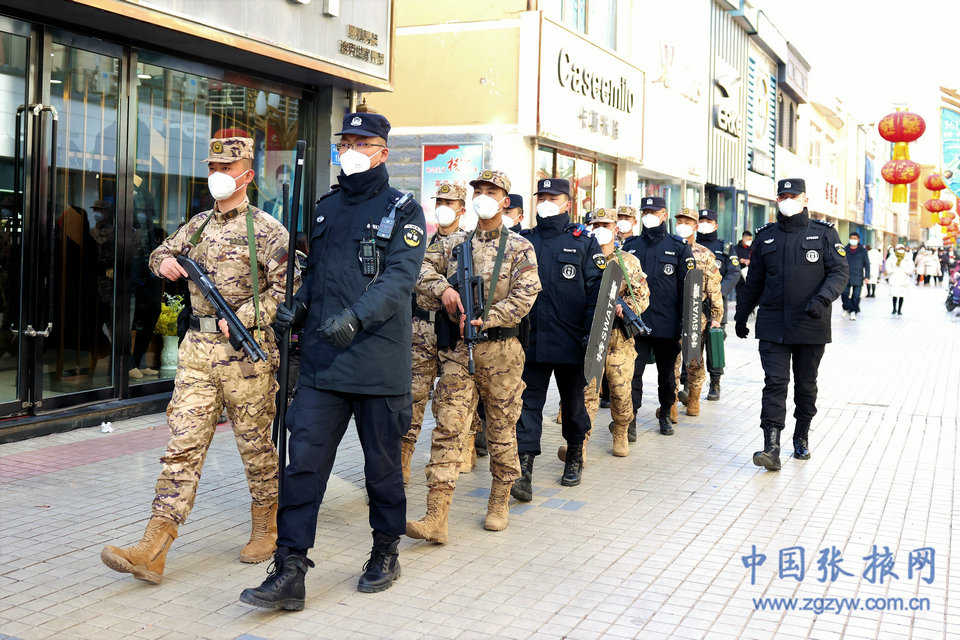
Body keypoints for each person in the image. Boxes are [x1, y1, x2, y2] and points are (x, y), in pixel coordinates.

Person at [241, 112, 426, 609]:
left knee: (381, 469)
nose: (351, 150)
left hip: (376, 363)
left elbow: (399, 279)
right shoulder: (326, 208)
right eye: (346, 142)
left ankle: (385, 551)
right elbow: (318, 275)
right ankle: (290, 568)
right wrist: (299, 306)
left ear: (382, 152)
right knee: (302, 467)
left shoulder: (405, 210)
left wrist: (356, 317)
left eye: (362, 143)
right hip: (323, 364)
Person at [101, 136, 295, 583]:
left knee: (255, 446)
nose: (218, 175)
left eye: (228, 168)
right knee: (182, 446)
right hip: (196, 353)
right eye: (213, 167)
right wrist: (164, 264)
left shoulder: (269, 230)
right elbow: (158, 252)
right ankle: (153, 548)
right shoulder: (198, 225)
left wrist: (245, 316)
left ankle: (266, 527)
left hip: (245, 356)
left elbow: (288, 290)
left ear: (248, 175)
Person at [407, 169, 541, 541]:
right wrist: (444, 290)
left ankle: (499, 501)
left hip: (501, 353)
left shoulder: (519, 247)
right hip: (457, 350)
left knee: (501, 429)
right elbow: (420, 269)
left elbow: (526, 295)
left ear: (505, 201)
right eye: (478, 190)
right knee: (448, 427)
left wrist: (489, 317)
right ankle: (436, 515)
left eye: (491, 192)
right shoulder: (455, 244)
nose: (483, 196)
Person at [733, 178, 848, 471]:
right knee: (775, 383)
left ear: (805, 199)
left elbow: (839, 272)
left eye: (793, 195)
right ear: (776, 200)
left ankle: (801, 435)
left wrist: (822, 299)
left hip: (811, 323)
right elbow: (755, 280)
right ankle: (771, 447)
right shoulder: (766, 236)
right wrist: (741, 314)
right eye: (782, 195)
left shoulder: (824, 233)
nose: (787, 200)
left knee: (806, 385)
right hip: (773, 324)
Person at [512, 178, 603, 501]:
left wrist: (590, 337)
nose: (546, 202)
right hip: (531, 341)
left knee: (574, 406)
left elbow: (597, 293)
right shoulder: (524, 240)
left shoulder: (584, 242)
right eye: (542, 197)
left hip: (571, 342)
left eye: (554, 197)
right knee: (527, 407)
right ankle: (524, 471)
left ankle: (575, 453)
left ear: (568, 204)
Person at [401, 182, 468, 484]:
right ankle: (402, 458)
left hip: (452, 331)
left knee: (453, 398)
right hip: (421, 329)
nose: (443, 207)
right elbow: (415, 272)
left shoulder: (467, 244)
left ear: (461, 209)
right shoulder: (422, 241)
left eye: (449, 202)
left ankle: (463, 449)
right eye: (439, 201)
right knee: (412, 396)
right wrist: (443, 287)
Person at [621, 196, 695, 436]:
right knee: (633, 374)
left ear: (664, 215)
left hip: (667, 323)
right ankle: (630, 419)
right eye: (645, 211)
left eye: (654, 212)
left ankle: (665, 414)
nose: (649, 216)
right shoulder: (631, 245)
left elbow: (687, 289)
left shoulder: (678, 247)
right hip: (635, 323)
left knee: (667, 376)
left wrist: (685, 326)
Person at [580, 208, 649, 457]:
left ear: (615, 229)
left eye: (605, 225)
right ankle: (580, 445)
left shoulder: (628, 261)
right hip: (589, 338)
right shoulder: (583, 256)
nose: (600, 229)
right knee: (587, 395)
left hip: (618, 340)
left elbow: (642, 296)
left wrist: (626, 307)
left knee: (620, 393)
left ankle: (621, 430)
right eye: (595, 225)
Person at [674, 208, 723, 416]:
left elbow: (714, 287)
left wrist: (716, 317)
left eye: (687, 222)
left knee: (695, 359)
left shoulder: (705, 254)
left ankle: (694, 399)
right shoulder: (670, 248)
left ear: (695, 226)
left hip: (696, 314)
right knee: (672, 361)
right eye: (680, 221)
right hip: (671, 313)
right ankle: (670, 403)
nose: (682, 225)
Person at [694, 208, 741, 400]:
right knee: (691, 345)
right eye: (701, 220)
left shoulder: (725, 247)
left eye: (708, 221)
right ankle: (689, 384)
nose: (704, 224)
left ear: (716, 225)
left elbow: (734, 272)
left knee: (714, 345)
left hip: (715, 307)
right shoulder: (688, 245)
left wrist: (717, 292)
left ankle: (715, 384)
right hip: (693, 304)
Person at [840, 232, 869, 320]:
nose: (853, 240)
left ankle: (853, 311)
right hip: (846, 276)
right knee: (844, 293)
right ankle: (846, 308)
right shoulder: (844, 249)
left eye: (855, 238)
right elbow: (840, 263)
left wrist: (867, 276)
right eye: (851, 238)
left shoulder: (863, 251)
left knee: (856, 296)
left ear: (858, 240)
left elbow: (867, 264)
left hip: (858, 276)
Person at [885, 244, 914, 315]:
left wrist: (907, 272)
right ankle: (894, 308)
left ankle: (899, 310)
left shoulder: (907, 257)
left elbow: (911, 266)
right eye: (899, 248)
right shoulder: (892, 257)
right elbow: (887, 265)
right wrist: (891, 272)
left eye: (902, 248)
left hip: (903, 278)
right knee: (894, 294)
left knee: (902, 295)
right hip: (894, 277)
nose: (900, 250)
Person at [734, 230, 753, 303]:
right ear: (743, 239)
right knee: (739, 296)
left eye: (751, 239)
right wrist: (740, 260)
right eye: (748, 239)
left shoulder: (753, 248)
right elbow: (732, 259)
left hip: (750, 276)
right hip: (739, 277)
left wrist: (750, 261)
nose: (750, 241)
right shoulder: (736, 248)